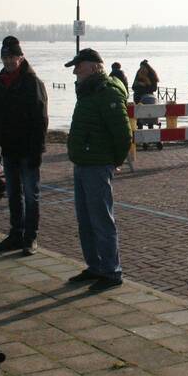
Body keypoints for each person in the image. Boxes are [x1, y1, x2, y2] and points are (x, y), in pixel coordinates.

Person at [65, 48, 132, 291]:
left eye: (78, 66)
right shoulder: (87, 92)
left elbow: (124, 134)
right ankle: (95, 266)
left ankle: (111, 271)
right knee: (85, 219)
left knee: (102, 218)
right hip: (82, 163)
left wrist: (114, 161)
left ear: (93, 67)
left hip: (97, 165)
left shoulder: (106, 92)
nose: (75, 72)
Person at [0, 36, 48, 255]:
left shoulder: (32, 83)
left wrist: (37, 151)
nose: (9, 61)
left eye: (13, 57)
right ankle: (16, 234)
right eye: (5, 57)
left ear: (21, 57)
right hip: (8, 150)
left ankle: (30, 237)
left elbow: (41, 120)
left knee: (31, 195)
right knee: (13, 194)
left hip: (28, 150)